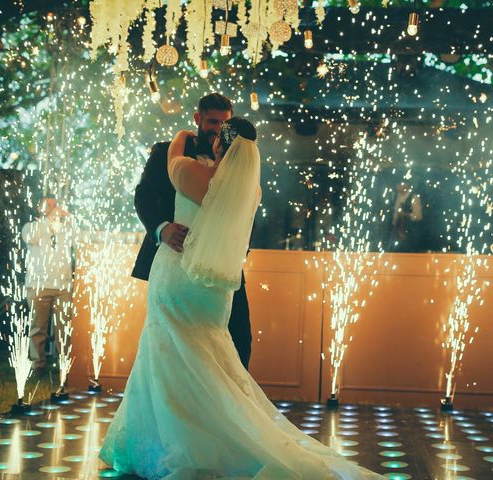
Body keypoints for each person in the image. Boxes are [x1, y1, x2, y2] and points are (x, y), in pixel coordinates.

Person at [99, 119, 384, 479]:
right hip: (217, 290)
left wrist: (181, 136)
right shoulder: (251, 190)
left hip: (178, 278)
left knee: (167, 352)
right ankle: (217, 431)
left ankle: (172, 441)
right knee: (210, 356)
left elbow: (173, 160)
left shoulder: (191, 174)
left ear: (220, 145)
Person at [132, 93, 252, 369]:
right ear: (198, 119)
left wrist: (238, 248)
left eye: (224, 123)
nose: (217, 129)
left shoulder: (235, 165)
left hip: (222, 265)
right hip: (177, 262)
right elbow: (144, 197)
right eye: (212, 121)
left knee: (240, 339)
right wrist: (162, 229)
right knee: (174, 340)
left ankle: (228, 403)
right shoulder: (164, 152)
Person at [21, 196, 73, 375]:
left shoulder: (65, 227)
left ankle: (64, 366)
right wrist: (49, 219)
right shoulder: (31, 227)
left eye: (54, 205)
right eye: (48, 205)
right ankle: (38, 365)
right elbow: (31, 237)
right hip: (38, 285)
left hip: (63, 286)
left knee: (64, 329)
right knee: (38, 328)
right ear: (40, 208)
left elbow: (78, 238)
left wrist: (69, 218)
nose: (52, 209)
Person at [387, 181, 423, 252]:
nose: (398, 187)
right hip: (396, 232)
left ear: (406, 185)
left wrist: (405, 214)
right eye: (398, 184)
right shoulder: (395, 197)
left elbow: (418, 217)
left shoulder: (414, 197)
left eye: (400, 184)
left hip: (410, 233)